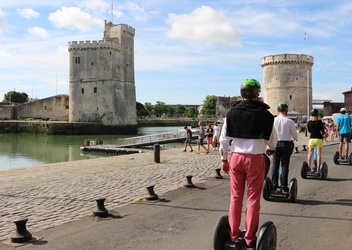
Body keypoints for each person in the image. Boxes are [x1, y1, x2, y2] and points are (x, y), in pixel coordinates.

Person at [219, 79, 277, 249]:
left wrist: (224, 159)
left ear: (241, 93)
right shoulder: (266, 115)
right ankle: (250, 238)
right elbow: (272, 141)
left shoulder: (231, 113)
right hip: (255, 159)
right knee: (253, 199)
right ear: (257, 93)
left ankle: (234, 234)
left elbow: (223, 140)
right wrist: (270, 149)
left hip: (236, 158)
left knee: (235, 197)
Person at [271, 102, 298, 194]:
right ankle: (284, 186)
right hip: (286, 144)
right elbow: (295, 136)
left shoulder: (273, 121)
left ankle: (274, 185)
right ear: (286, 110)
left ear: (278, 111)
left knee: (275, 165)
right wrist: (294, 138)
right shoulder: (290, 121)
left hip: (275, 143)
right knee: (285, 164)